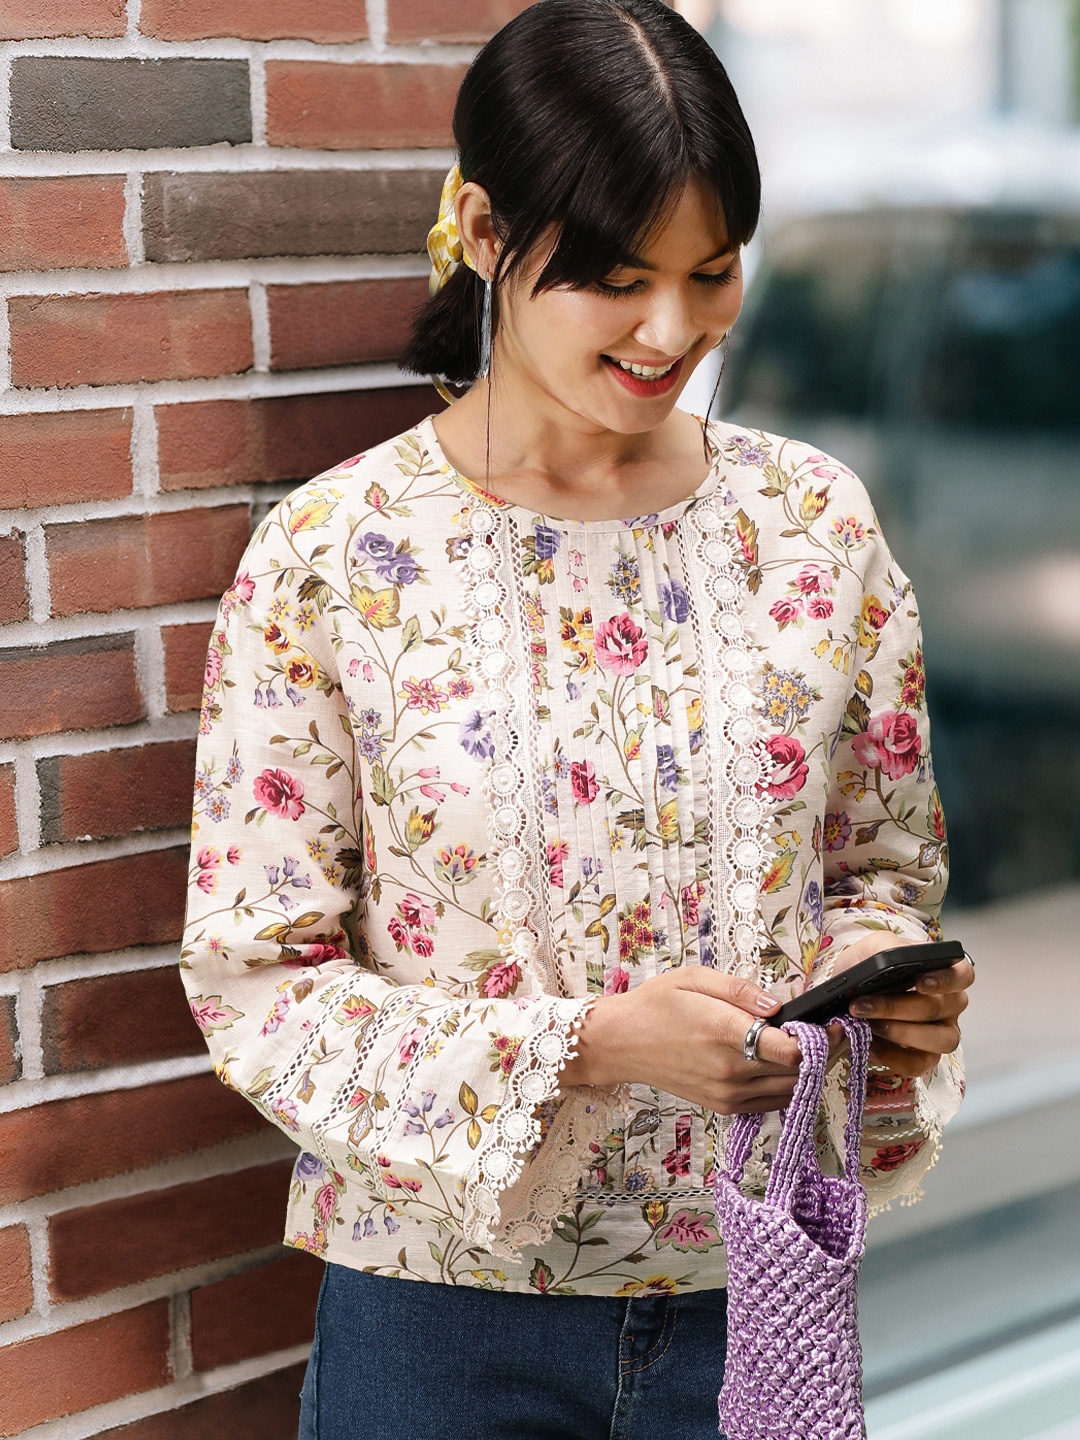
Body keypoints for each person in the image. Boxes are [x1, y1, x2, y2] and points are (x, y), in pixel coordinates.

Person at [179, 2, 973, 1436]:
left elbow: (880, 872)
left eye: (712, 273)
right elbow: (258, 986)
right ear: (485, 233)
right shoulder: (336, 556)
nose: (673, 330)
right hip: (437, 1321)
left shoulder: (811, 525)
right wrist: (598, 1043)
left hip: (761, 1296)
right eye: (614, 278)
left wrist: (884, 993)